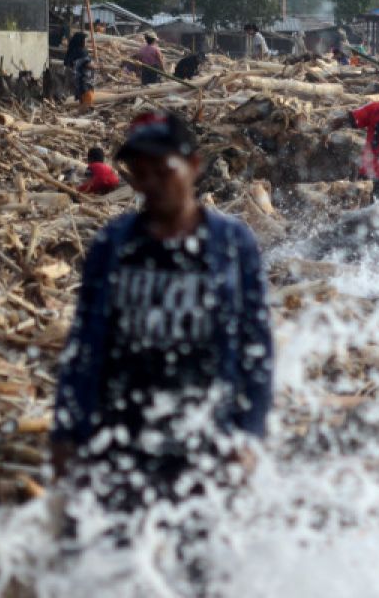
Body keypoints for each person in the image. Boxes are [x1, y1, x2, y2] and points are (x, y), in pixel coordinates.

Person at [51, 111, 273, 517]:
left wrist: (249, 433)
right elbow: (85, 344)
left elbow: (255, 345)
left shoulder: (230, 243)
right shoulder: (115, 244)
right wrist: (67, 434)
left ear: (193, 166)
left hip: (205, 429)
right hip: (123, 431)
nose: (150, 183)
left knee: (198, 559)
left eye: (162, 170)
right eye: (139, 172)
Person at [64, 32, 96, 108]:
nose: (86, 42)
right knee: (87, 104)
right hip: (85, 81)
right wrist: (98, 66)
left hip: (78, 82)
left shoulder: (72, 51)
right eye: (85, 40)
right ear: (80, 41)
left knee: (83, 102)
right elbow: (86, 64)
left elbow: (69, 63)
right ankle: (81, 116)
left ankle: (80, 116)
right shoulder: (81, 52)